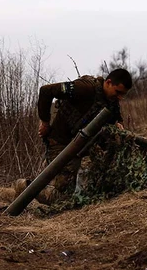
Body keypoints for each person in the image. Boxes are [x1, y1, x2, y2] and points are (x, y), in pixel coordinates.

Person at [13, 68, 132, 205]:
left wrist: (119, 126)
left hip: (79, 146)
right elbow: (46, 91)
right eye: (118, 92)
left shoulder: (111, 101)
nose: (120, 97)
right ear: (109, 82)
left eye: (123, 95)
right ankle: (24, 186)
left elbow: (117, 118)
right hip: (60, 143)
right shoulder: (84, 88)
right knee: (62, 199)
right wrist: (45, 122)